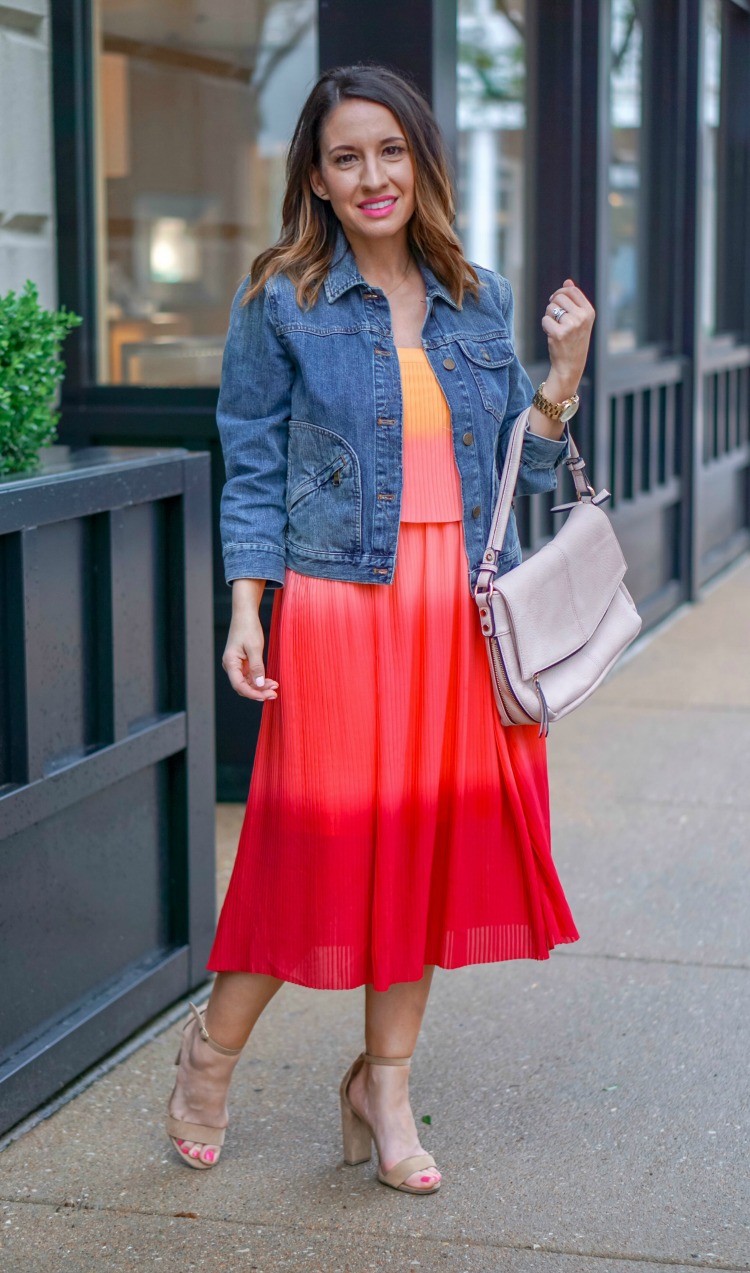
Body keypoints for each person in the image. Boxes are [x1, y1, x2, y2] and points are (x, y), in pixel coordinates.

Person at [166, 62, 595, 1195]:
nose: (372, 176)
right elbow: (249, 464)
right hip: (340, 612)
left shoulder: (476, 297)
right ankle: (211, 1052)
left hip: (452, 610)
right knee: (309, 848)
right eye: (346, 155)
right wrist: (246, 606)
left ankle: (385, 1088)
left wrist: (560, 379)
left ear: (422, 163)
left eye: (390, 152)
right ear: (316, 172)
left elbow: (522, 475)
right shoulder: (282, 302)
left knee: (422, 860)